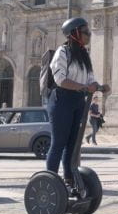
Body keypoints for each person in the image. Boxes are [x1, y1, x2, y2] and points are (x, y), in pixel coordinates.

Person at [46, 18, 110, 181]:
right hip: (61, 100)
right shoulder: (63, 52)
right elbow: (60, 80)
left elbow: (90, 79)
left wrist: (99, 86)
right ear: (74, 33)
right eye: (86, 32)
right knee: (59, 142)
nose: (89, 35)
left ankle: (69, 179)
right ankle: (50, 180)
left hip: (77, 101)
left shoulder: (84, 55)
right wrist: (83, 87)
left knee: (73, 145)